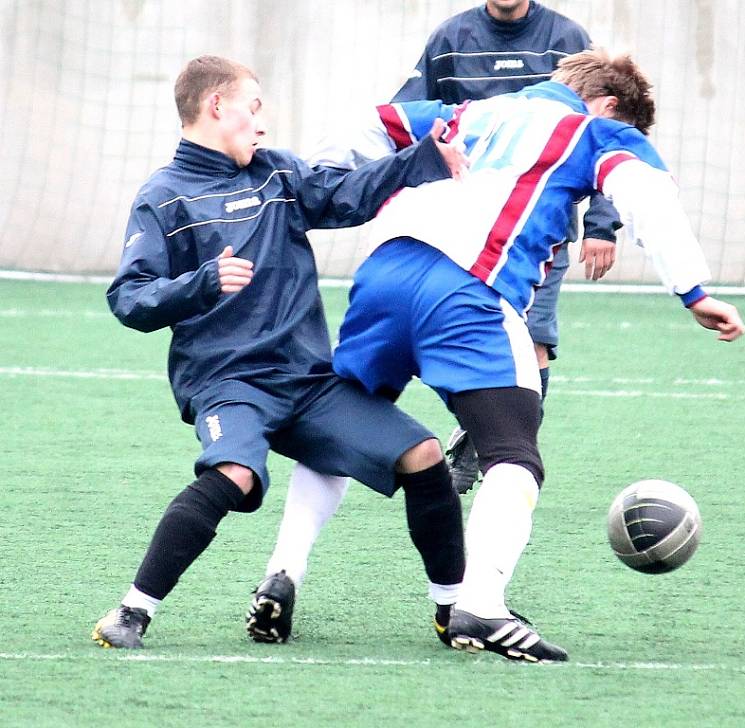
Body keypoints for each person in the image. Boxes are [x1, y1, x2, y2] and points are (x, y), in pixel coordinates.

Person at [313, 48, 745, 662]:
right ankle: (481, 603)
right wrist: (693, 289)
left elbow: (371, 123)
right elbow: (649, 194)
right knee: (515, 452)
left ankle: (284, 572)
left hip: (384, 271)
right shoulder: (596, 131)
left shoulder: (471, 110)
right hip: (470, 292)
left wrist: (316, 185)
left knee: (340, 422)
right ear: (610, 105)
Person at [91, 55, 469, 649]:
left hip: (307, 381)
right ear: (217, 106)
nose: (262, 124)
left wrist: (421, 160)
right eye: (253, 107)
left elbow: (347, 195)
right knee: (235, 473)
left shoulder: (277, 175)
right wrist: (202, 282)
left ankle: (456, 612)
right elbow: (129, 299)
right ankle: (131, 614)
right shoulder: (163, 197)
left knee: (422, 454)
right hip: (227, 383)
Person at [394, 0, 623, 494]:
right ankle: (476, 438)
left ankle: (497, 460)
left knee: (532, 340)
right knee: (453, 342)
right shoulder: (451, 38)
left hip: (540, 231)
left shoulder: (567, 39)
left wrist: (602, 223)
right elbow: (412, 118)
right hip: (459, 230)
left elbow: (604, 135)